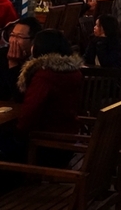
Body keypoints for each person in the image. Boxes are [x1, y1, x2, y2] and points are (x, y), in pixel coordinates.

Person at [4, 29, 82, 166]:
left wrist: (18, 134)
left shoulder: (45, 75)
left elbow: (30, 111)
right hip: (66, 140)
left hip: (45, 144)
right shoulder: (72, 71)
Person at [0, 17, 41, 101]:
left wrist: (13, 63)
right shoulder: (2, 55)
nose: (13, 41)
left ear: (33, 40)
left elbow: (20, 97)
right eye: (12, 35)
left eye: (19, 37)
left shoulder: (39, 61)